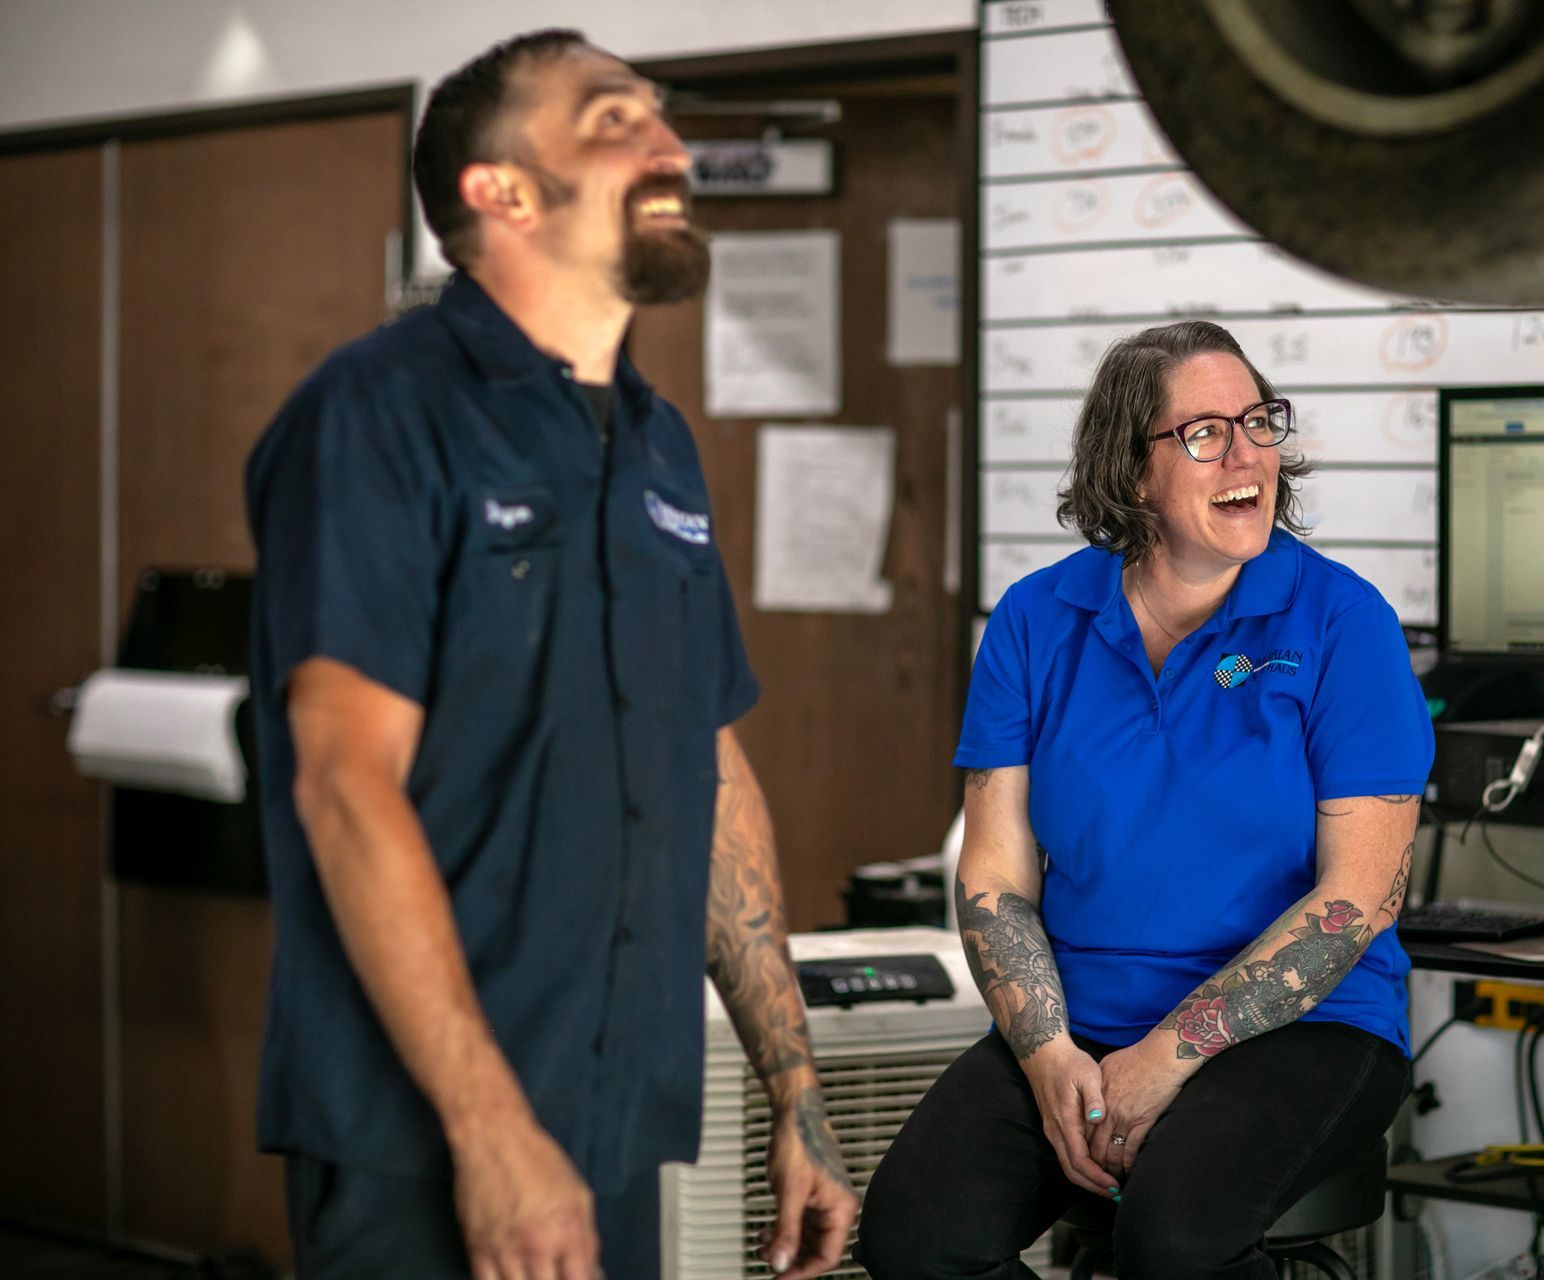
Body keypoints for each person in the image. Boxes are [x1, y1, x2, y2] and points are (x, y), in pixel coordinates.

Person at [245, 30, 856, 1280]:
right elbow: (343, 784)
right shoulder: (377, 411)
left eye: (660, 115)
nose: (669, 142)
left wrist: (794, 1084)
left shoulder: (660, 444)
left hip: (618, 1116)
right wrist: (489, 1127)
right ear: (502, 189)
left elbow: (709, 759)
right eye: (612, 118)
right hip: (422, 1134)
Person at [856, 321, 1434, 1279]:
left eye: (1259, 422)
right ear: (1131, 474)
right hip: (1079, 1021)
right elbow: (996, 875)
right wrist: (1048, 1057)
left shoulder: (1343, 621)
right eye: (1204, 433)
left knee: (1172, 1243)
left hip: (1307, 1030)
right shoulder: (1037, 622)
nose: (1248, 453)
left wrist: (1164, 1059)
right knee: (916, 1241)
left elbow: (1355, 901)